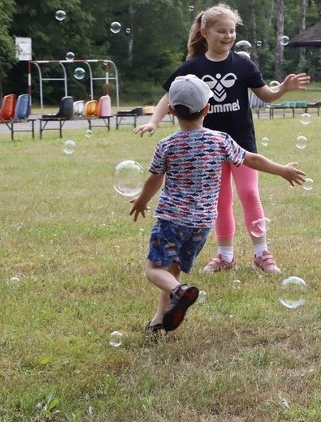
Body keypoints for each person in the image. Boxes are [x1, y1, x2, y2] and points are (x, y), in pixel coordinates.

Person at [134, 4, 310, 275]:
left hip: (240, 143)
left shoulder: (243, 64)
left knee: (250, 193)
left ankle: (262, 253)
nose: (228, 36)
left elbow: (265, 95)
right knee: (221, 201)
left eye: (232, 31)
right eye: (221, 31)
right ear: (205, 32)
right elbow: (170, 95)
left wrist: (283, 88)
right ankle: (225, 256)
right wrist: (153, 121)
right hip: (207, 148)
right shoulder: (193, 66)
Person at [130, 75, 305, 335]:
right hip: (202, 224)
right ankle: (159, 322)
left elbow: (155, 179)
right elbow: (252, 159)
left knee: (154, 269)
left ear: (170, 111)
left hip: (171, 220)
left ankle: (180, 292)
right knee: (174, 269)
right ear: (208, 109)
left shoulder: (166, 145)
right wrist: (282, 170)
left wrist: (142, 201)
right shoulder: (220, 140)